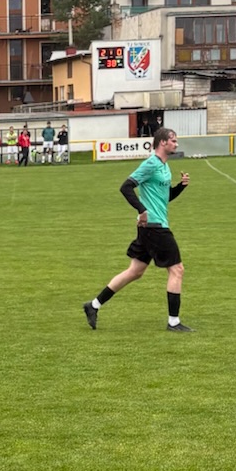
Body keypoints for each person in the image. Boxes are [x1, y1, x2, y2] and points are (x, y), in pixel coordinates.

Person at [83, 127, 192, 334]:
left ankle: (93, 305)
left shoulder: (164, 166)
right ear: (162, 142)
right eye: (173, 141)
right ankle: (174, 322)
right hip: (155, 227)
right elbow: (126, 187)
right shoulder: (151, 163)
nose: (176, 144)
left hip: (151, 227)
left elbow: (164, 198)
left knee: (135, 272)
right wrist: (142, 210)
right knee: (177, 269)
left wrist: (181, 187)